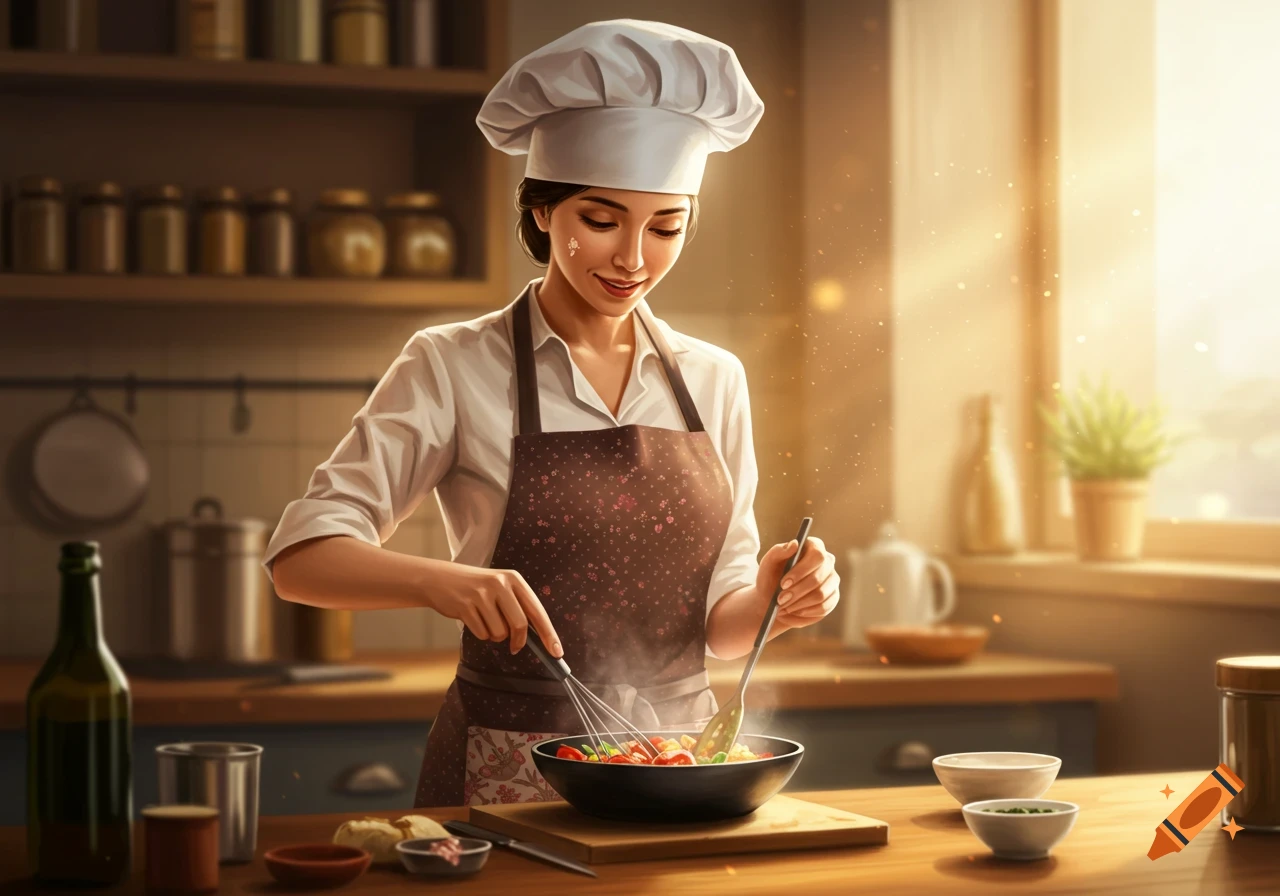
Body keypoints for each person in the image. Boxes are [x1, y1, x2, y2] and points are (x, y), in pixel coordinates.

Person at [265, 19, 842, 807]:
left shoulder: (714, 378)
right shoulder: (453, 363)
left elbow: (721, 625)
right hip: (508, 770)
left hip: (681, 767)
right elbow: (301, 557)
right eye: (601, 221)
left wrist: (776, 598)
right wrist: (444, 584)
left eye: (665, 226)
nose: (634, 258)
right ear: (541, 211)